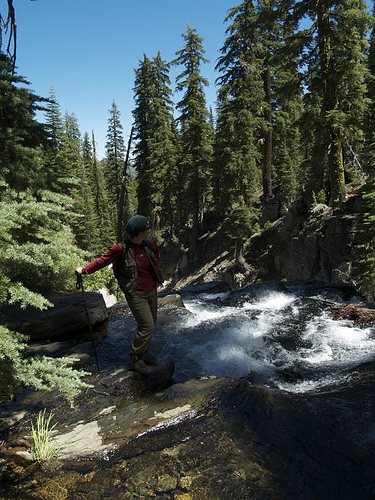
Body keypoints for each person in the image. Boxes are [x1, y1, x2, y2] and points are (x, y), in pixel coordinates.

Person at [75, 214, 163, 375]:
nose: (149, 230)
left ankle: (143, 354)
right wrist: (84, 271)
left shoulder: (149, 244)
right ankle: (135, 359)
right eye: (147, 228)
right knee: (147, 327)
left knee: (151, 325)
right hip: (136, 293)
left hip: (152, 290)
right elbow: (102, 261)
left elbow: (155, 259)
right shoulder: (120, 249)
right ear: (139, 231)